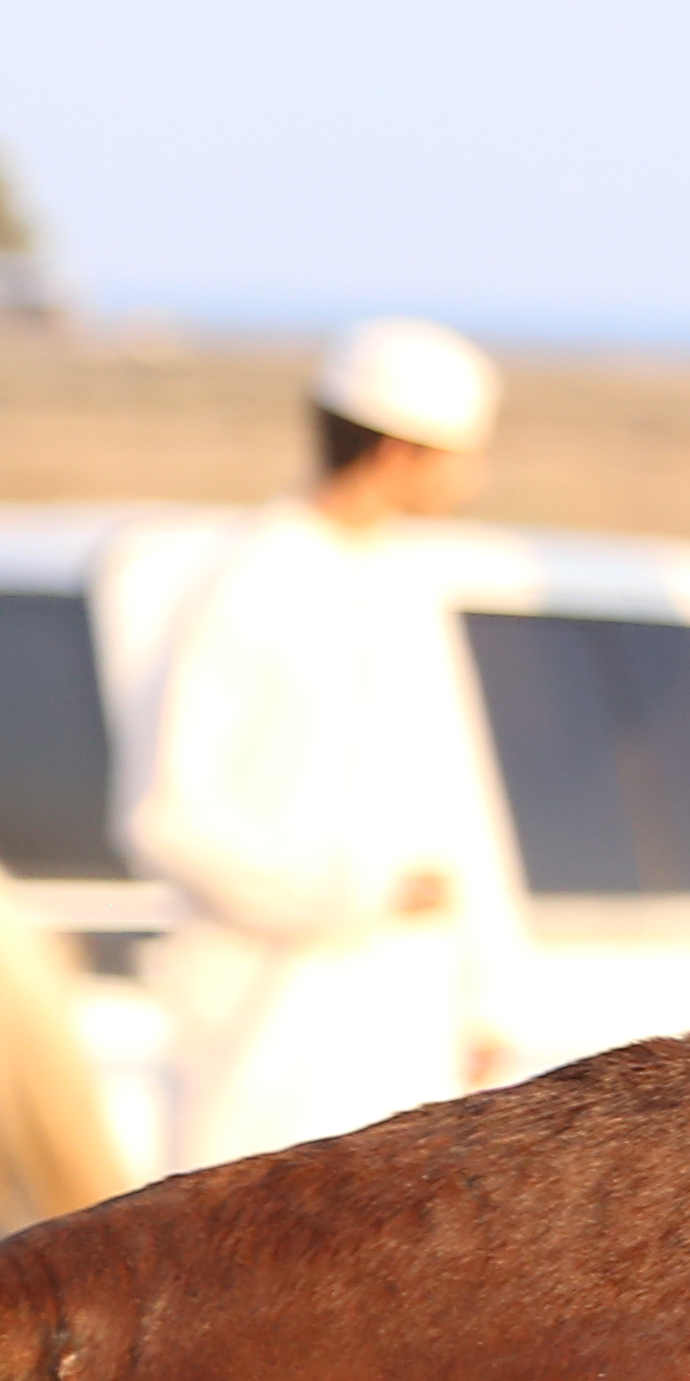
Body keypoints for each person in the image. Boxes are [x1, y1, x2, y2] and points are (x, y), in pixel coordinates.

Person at [114, 317, 529, 1170]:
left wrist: (488, 995)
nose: (476, 479)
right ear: (400, 452)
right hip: (265, 1033)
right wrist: (352, 893)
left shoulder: (403, 581)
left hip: (402, 1027)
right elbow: (167, 817)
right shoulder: (246, 584)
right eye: (463, 456)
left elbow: (459, 800)